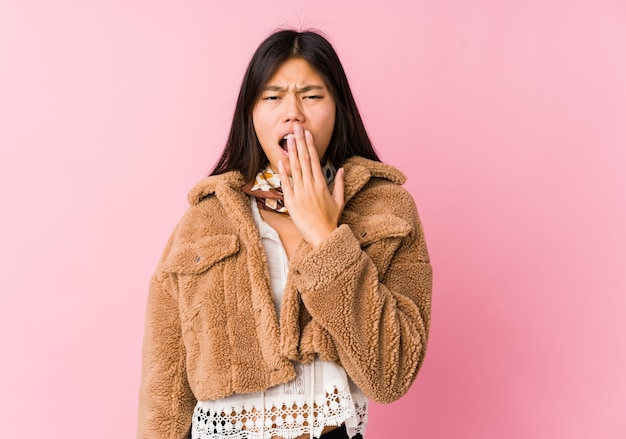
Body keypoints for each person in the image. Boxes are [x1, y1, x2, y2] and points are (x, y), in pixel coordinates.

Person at [137, 29, 432, 439]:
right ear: (251, 114)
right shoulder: (203, 221)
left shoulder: (387, 209)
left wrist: (327, 236)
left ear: (338, 109)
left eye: (311, 95)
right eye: (272, 97)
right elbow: (163, 392)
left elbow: (391, 375)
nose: (292, 112)